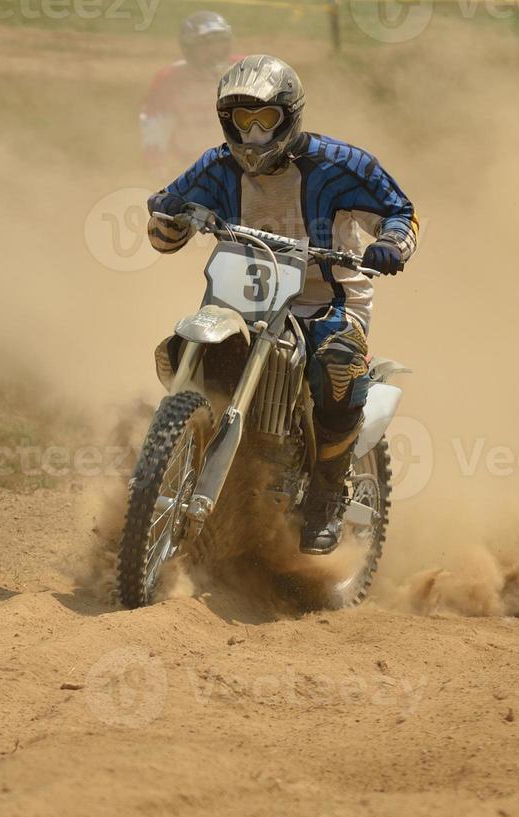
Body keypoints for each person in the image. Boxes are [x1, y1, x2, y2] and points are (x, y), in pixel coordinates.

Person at [145, 54, 418, 555]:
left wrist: (391, 244)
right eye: (240, 122)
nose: (251, 136)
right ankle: (172, 454)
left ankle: (327, 492)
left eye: (263, 120)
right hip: (241, 303)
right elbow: (166, 225)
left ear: (289, 116)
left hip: (326, 300)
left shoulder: (341, 166)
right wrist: (167, 218)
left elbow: (398, 210)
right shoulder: (216, 166)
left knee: (337, 366)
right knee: (186, 347)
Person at [140, 12, 240, 175]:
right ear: (189, 49)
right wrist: (156, 167)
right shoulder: (170, 79)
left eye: (219, 44)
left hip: (240, 163)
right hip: (188, 167)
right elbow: (155, 124)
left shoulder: (246, 69)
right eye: (205, 46)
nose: (214, 52)